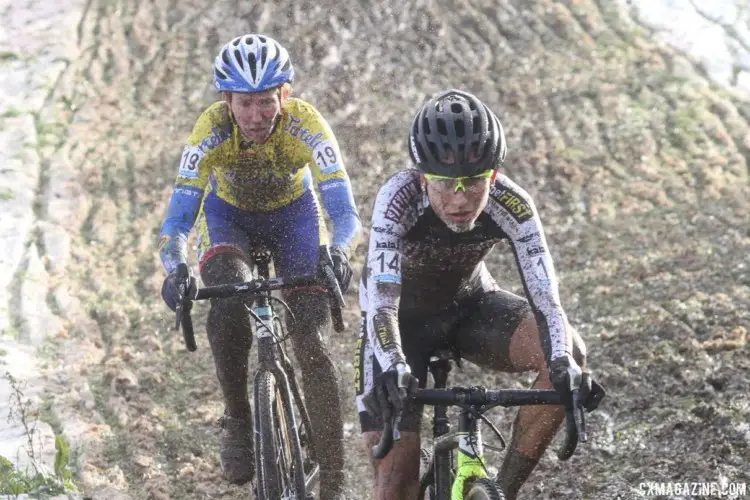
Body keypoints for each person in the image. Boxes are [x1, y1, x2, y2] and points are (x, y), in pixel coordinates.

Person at [355, 89, 604, 499]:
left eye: (473, 182)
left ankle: (498, 491)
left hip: (471, 309)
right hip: (399, 329)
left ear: (491, 176)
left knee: (571, 352)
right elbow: (381, 302)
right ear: (422, 177)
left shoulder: (512, 203)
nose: (459, 198)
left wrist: (561, 364)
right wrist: (393, 362)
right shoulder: (397, 199)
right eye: (445, 183)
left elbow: (546, 301)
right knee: (395, 486)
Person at [158, 33, 361, 497]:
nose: (255, 117)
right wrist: (176, 266)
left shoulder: (306, 123)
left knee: (311, 339)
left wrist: (340, 251)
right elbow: (178, 219)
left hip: (295, 219)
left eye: (266, 102)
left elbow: (344, 212)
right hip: (230, 221)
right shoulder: (209, 130)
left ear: (284, 95)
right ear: (225, 99)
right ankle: (237, 417)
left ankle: (332, 477)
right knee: (227, 302)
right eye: (244, 103)